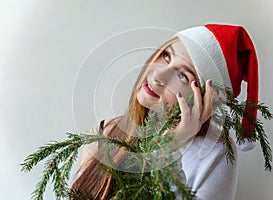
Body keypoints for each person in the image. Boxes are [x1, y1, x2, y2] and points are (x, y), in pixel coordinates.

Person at [72, 24, 260, 200]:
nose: (158, 75)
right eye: (166, 56)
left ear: (206, 100)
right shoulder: (104, 132)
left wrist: (169, 149)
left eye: (183, 76)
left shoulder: (216, 156)